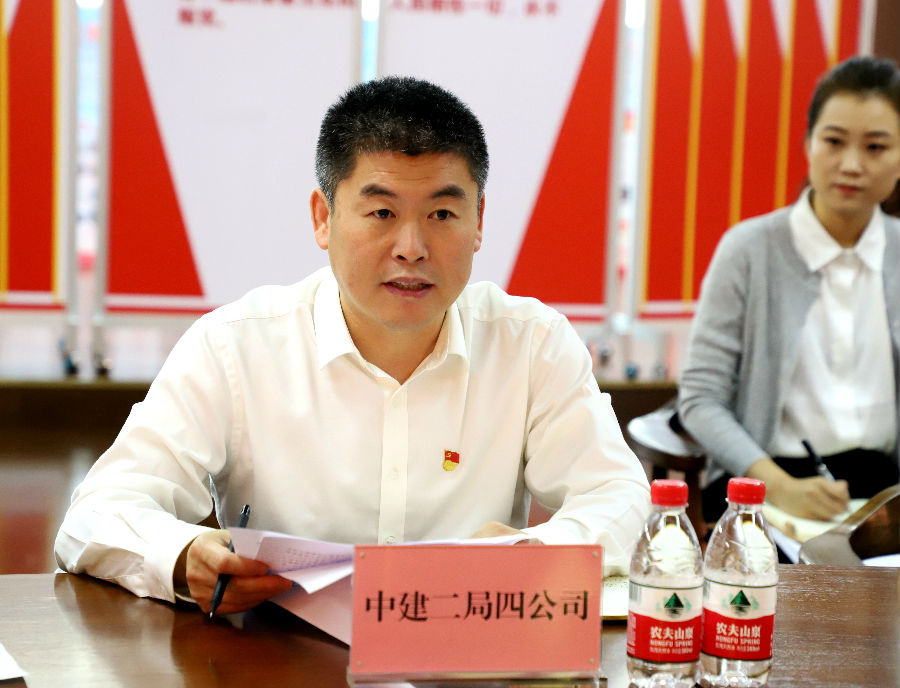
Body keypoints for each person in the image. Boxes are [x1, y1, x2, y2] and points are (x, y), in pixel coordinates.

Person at [55, 76, 650, 616]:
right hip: (279, 659)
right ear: (323, 217)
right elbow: (97, 513)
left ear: (479, 221)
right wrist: (185, 555)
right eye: (382, 212)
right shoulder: (235, 347)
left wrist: (530, 555)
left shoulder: (531, 344)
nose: (412, 247)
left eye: (443, 213)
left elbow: (621, 499)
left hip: (468, 654)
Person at [678, 56, 900, 525]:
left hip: (885, 494)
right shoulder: (749, 249)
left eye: (876, 147)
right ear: (808, 144)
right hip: (763, 486)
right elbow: (700, 398)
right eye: (834, 141)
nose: (851, 165)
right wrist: (778, 487)